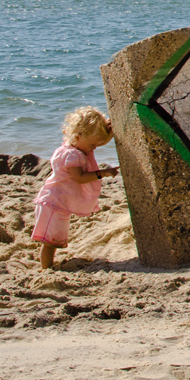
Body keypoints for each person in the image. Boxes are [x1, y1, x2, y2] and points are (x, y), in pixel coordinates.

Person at [31, 106, 119, 270]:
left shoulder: (73, 147)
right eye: (92, 145)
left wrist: (107, 131)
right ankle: (46, 269)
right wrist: (103, 173)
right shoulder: (72, 155)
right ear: (78, 137)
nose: (93, 149)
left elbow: (91, 143)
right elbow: (79, 178)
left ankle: (48, 266)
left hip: (58, 202)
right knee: (50, 242)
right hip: (53, 203)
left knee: (54, 240)